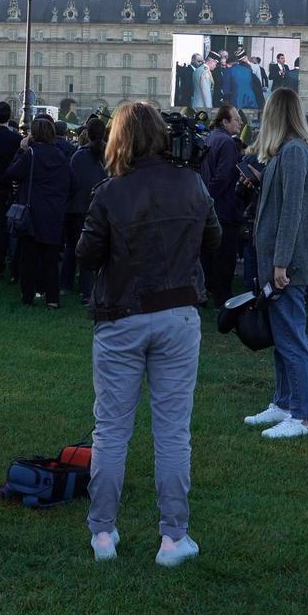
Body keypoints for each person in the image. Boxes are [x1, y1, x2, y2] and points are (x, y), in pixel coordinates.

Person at [74, 102, 219, 566]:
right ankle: (174, 537)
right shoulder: (191, 184)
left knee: (112, 430)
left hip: (122, 316)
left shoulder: (111, 192)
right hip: (176, 312)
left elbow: (86, 254)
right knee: (173, 432)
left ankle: (103, 533)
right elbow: (213, 240)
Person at [244, 86, 308, 440]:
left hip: (288, 265)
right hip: (283, 262)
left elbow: (292, 212)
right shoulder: (289, 152)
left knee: (292, 339)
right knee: (282, 336)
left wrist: (280, 264)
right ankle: (284, 402)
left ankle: (303, 416)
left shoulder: (293, 153)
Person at [5, 116, 71, 308]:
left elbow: (11, 173)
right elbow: (70, 182)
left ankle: (28, 297)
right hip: (54, 212)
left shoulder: (31, 153)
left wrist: (21, 150)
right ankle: (52, 299)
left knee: (29, 258)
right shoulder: (60, 155)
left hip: (32, 211)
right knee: (50, 259)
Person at [199, 106, 245, 307]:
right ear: (224, 122)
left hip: (211, 205)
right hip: (224, 207)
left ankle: (208, 291)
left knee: (209, 254)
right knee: (225, 256)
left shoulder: (209, 138)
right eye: (235, 119)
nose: (240, 122)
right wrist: (210, 197)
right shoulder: (227, 142)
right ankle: (222, 297)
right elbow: (223, 176)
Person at [62, 116, 109, 300]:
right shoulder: (109, 153)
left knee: (72, 247)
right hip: (100, 208)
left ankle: (66, 284)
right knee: (96, 249)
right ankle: (87, 290)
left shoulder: (78, 155)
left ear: (86, 134)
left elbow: (71, 182)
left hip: (76, 208)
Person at [0, 101, 23, 276]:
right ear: (10, 117)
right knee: (13, 228)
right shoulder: (17, 139)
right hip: (11, 187)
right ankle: (13, 267)